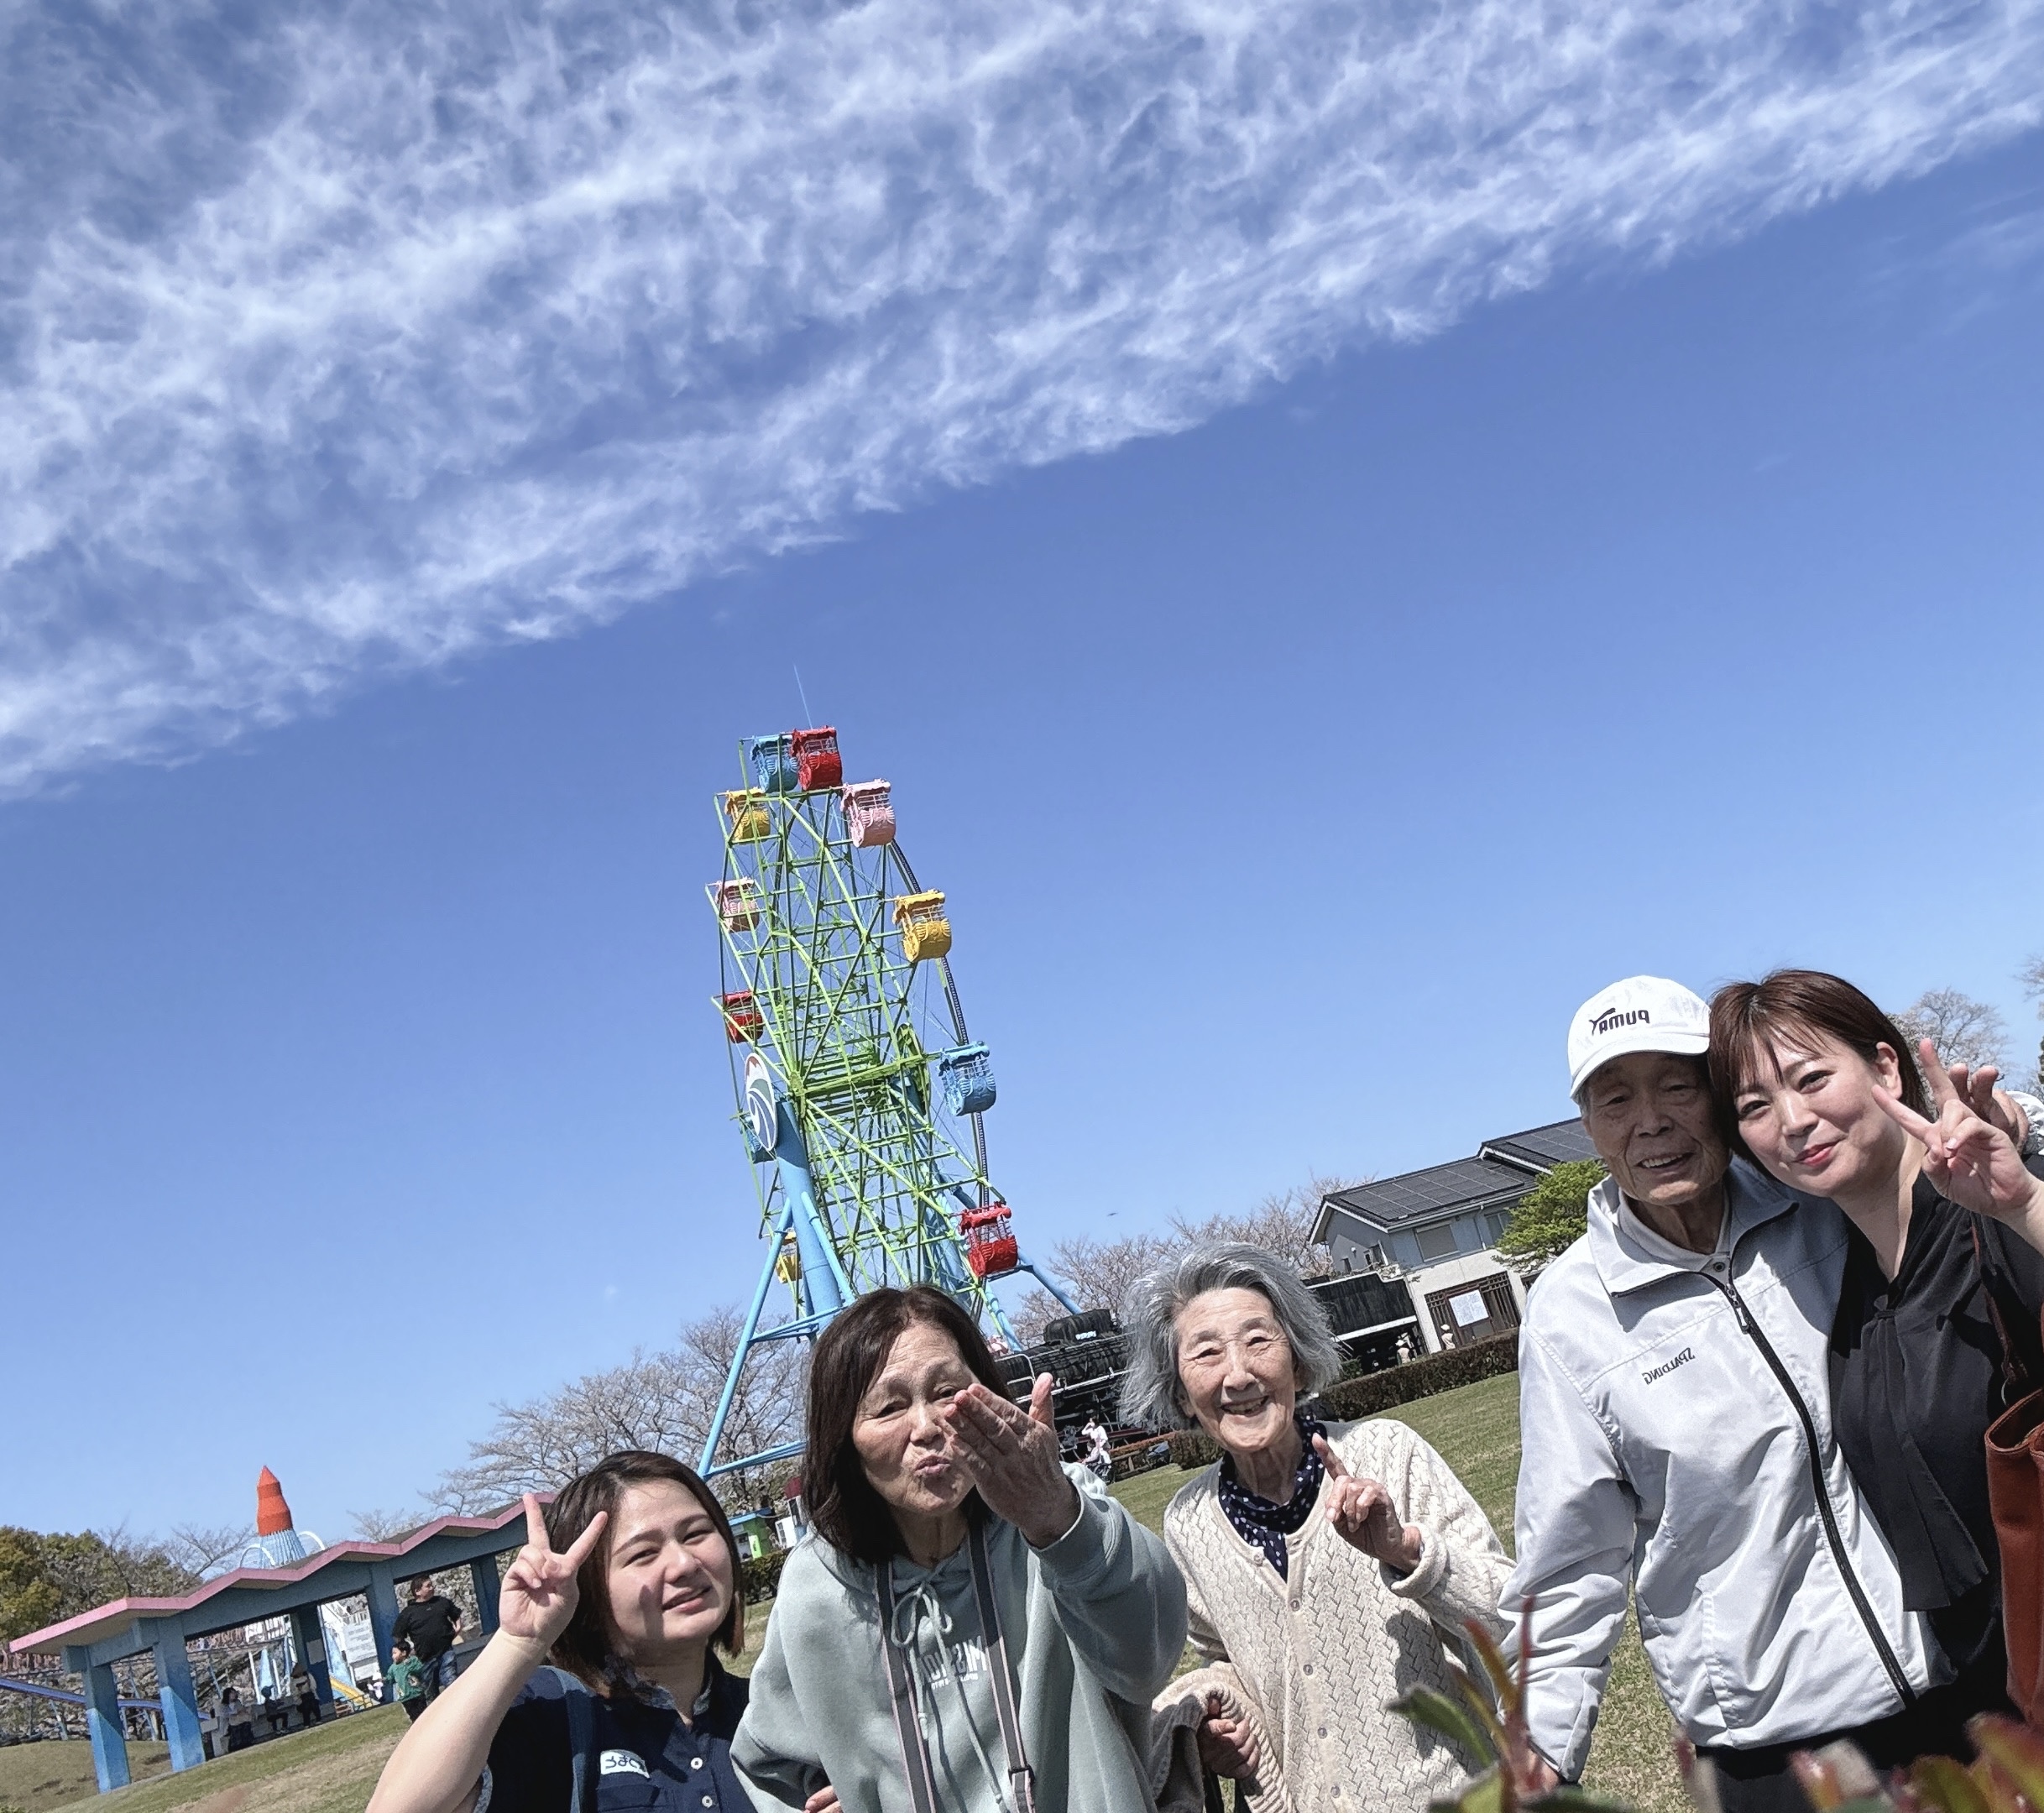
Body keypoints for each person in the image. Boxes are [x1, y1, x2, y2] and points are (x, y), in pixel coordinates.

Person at [1507, 975, 1953, 1813]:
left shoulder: (1814, 1205)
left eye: (1677, 1086)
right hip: (1773, 1749)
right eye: (1615, 1099)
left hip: (1948, 1681)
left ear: (1718, 1099)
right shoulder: (1570, 1316)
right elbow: (1569, 1566)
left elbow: (1915, 1159)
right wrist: (1535, 1761)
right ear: (1587, 1127)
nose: (1650, 1121)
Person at [1711, 969, 2044, 1745]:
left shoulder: (1994, 1215)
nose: (1792, 1121)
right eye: (1754, 1107)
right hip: (1980, 1711)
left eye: (1811, 1079)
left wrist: (2025, 1202)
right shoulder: (1841, 1285)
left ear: (1885, 1069)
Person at [732, 1283, 1189, 1812]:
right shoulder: (818, 1584)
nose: (927, 1427)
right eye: (888, 1407)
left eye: (948, 1391)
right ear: (844, 1438)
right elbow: (767, 1763)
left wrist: (1058, 1523)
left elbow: (1150, 1658)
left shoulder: (1063, 1504)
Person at [1121, 1243, 1512, 1813]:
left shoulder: (1388, 1452)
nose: (1238, 1374)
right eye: (1206, 1353)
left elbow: (1509, 1612)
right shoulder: (1187, 1520)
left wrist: (1406, 1551)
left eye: (1259, 1341)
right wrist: (1217, 1725)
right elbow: (1227, 1659)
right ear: (1180, 1393)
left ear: (1299, 1362)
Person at [366, 1450, 762, 1813]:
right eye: (643, 1553)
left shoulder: (769, 1709)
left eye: (695, 1534)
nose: (684, 1563)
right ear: (587, 1587)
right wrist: (519, 1642)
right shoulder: (552, 1712)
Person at [394, 1575, 464, 1702]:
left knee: (451, 1682)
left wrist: (458, 1627)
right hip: (425, 1658)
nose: (432, 1588)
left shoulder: (441, 1602)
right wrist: (407, 1652)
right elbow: (398, 1635)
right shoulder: (408, 1613)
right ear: (417, 1591)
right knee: (431, 1694)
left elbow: (456, 1614)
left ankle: (457, 1706)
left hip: (446, 1652)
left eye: (432, 1585)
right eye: (428, 1586)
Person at [388, 1640, 428, 1722]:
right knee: (413, 1716)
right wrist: (385, 1679)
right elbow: (390, 1678)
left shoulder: (413, 1660)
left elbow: (419, 1670)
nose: (393, 1656)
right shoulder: (393, 1668)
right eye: (392, 1654)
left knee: (424, 1714)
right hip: (405, 1697)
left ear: (403, 1653)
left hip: (417, 1693)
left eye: (395, 1653)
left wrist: (409, 1665)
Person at [1080, 1416, 1113, 1482]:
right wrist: (1087, 1425)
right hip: (1096, 1447)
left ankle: (1105, 1475)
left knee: (1104, 1459)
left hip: (1102, 1446)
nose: (1090, 1423)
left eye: (1091, 1422)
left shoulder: (1100, 1428)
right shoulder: (1091, 1429)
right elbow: (1083, 1432)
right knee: (1089, 1460)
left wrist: (1101, 1445)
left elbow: (1105, 1438)